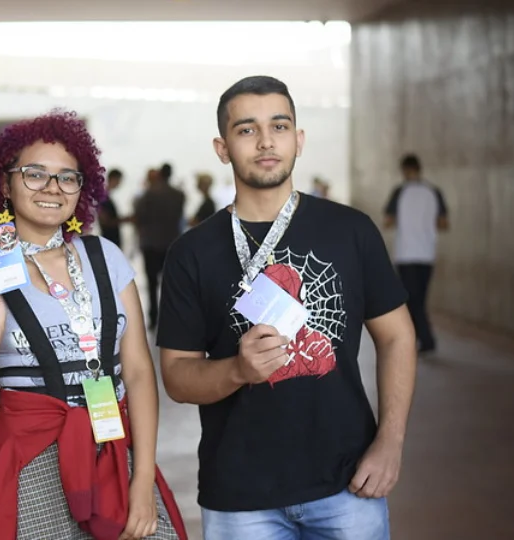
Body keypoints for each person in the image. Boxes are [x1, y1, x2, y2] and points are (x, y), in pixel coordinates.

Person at [156, 75, 418, 539]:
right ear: (222, 148)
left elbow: (397, 335)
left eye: (279, 126)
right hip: (239, 496)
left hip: (348, 484)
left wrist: (391, 442)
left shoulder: (351, 231)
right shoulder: (191, 253)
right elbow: (176, 376)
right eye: (246, 129)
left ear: (298, 140)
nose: (264, 141)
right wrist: (237, 370)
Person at [0, 110, 188, 540]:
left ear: (83, 186)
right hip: (27, 461)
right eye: (35, 174)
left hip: (114, 451)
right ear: (4, 183)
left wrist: (143, 478)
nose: (53, 189)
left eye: (67, 177)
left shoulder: (107, 258)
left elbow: (137, 373)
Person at [384, 153, 449, 353]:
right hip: (427, 254)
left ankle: (425, 341)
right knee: (419, 299)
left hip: (406, 255)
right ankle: (420, 340)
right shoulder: (434, 191)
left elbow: (387, 221)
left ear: (404, 170)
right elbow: (444, 224)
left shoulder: (399, 192)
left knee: (412, 301)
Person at [133, 163, 185, 328]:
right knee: (171, 283)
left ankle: (153, 318)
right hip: (172, 243)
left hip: (150, 243)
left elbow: (139, 217)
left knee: (151, 282)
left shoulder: (148, 194)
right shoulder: (179, 195)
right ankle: (171, 317)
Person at [97, 168, 128, 247]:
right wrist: (125, 220)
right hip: (109, 239)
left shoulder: (106, 196)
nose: (119, 183)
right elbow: (105, 221)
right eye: (119, 180)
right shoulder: (103, 197)